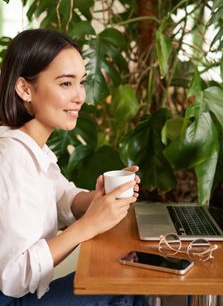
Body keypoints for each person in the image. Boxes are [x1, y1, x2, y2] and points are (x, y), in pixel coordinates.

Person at [0, 29, 149, 306]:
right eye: (66, 84)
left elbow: (62, 196)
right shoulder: (10, 158)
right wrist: (88, 226)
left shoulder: (34, 148)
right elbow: (13, 277)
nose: (80, 96)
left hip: (22, 294)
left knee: (127, 276)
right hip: (11, 299)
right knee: (124, 285)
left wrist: (98, 198)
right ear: (24, 89)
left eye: (81, 82)